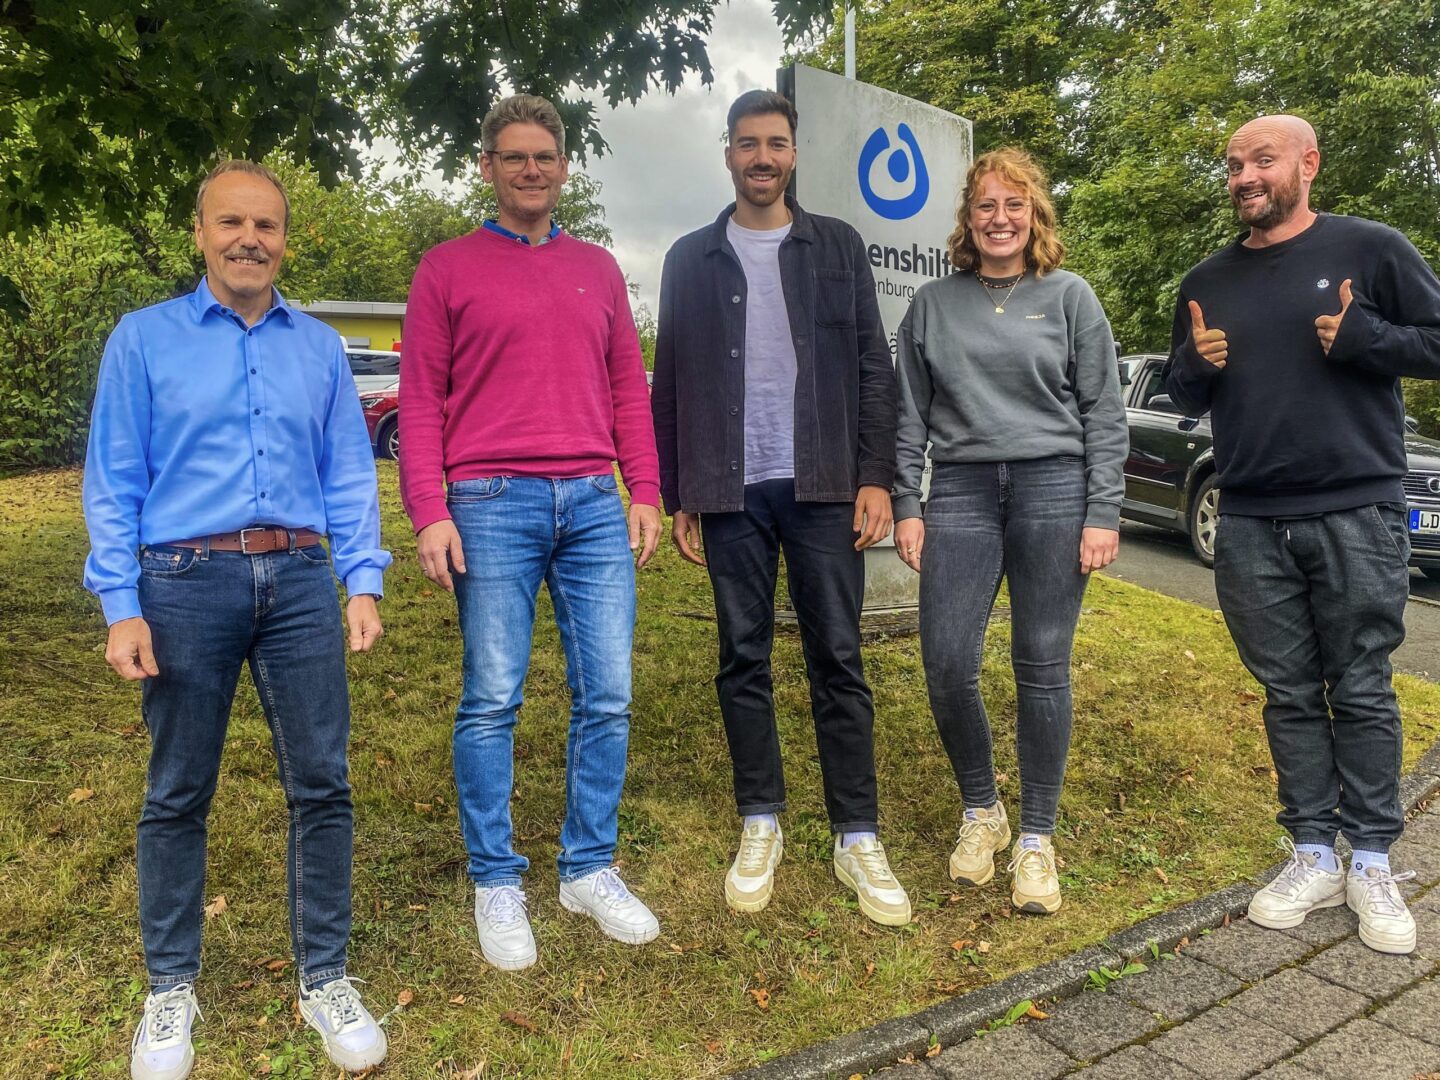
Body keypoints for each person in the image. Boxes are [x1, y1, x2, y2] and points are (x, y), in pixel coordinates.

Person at [83, 160, 391, 1079]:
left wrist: (362, 580)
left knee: (322, 784)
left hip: (299, 579)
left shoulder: (321, 348)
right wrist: (120, 605)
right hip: (183, 580)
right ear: (200, 231)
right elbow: (114, 482)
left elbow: (347, 472)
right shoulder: (142, 341)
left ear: (285, 238)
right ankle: (170, 987)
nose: (249, 239)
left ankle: (324, 975)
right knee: (178, 789)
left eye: (266, 225)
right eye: (231, 223)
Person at [399, 94, 663, 971]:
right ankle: (495, 878)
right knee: (493, 695)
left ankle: (587, 867)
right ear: (488, 166)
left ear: (562, 165)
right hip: (490, 502)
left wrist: (644, 488)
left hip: (592, 500)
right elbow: (421, 401)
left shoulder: (597, 265)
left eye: (544, 156)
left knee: (610, 693)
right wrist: (429, 512)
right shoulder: (445, 268)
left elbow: (629, 385)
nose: (531, 170)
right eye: (513, 157)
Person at [1166, 115, 1440, 954]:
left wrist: (1369, 340)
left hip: (1356, 511)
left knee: (1359, 685)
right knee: (1288, 693)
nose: (1244, 175)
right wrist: (1194, 365)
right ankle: (1314, 851)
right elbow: (1183, 395)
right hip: (1248, 519)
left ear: (1308, 165)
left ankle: (1373, 862)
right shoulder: (1205, 278)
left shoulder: (1371, 249)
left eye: (1262, 159)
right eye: (1233, 164)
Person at [651, 89, 910, 926]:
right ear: (727, 153)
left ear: (794, 154)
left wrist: (876, 475)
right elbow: (671, 379)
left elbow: (875, 365)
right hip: (729, 489)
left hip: (823, 483)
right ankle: (760, 820)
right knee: (743, 657)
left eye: (777, 143)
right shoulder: (691, 258)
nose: (762, 157)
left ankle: (856, 833)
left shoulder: (836, 245)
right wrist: (677, 489)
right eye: (747, 143)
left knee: (839, 656)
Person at [893, 148, 1126, 915]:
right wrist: (907, 502)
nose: (999, 218)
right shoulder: (931, 304)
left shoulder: (1070, 297)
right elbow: (909, 417)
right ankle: (981, 809)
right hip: (959, 489)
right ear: (967, 219)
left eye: (1014, 205)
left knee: (1041, 663)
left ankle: (1036, 837)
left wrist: (1102, 511)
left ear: (1036, 216)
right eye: (986, 205)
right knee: (948, 660)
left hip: (1054, 489)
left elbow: (1103, 413)